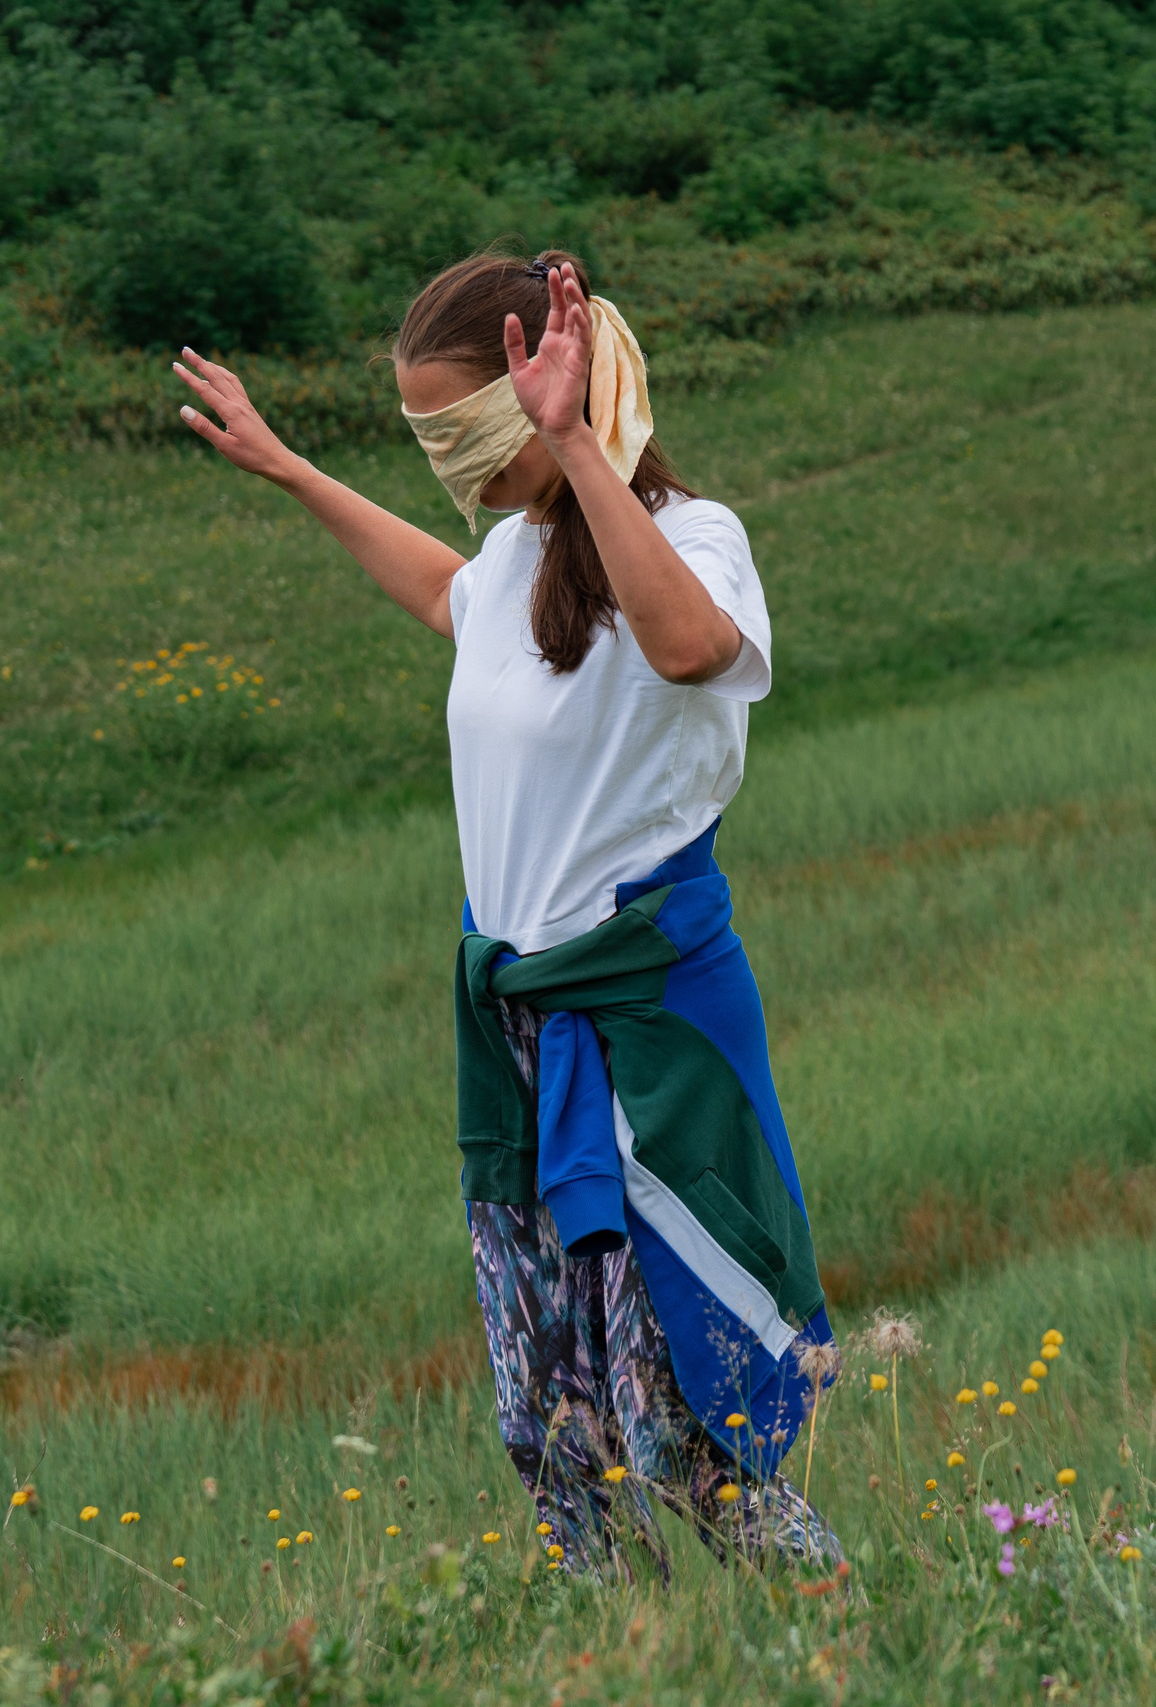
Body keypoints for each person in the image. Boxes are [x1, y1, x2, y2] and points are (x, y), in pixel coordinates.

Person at [168, 250, 839, 1578]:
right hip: (521, 1036)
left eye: (460, 426)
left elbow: (695, 647)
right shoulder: (511, 551)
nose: (449, 463)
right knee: (556, 1415)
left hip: (648, 1028)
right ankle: (630, 1651)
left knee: (687, 1412)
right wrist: (292, 468)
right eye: (427, 434)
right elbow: (447, 593)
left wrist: (574, 444)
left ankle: (851, 1622)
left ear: (560, 382)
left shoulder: (691, 541)